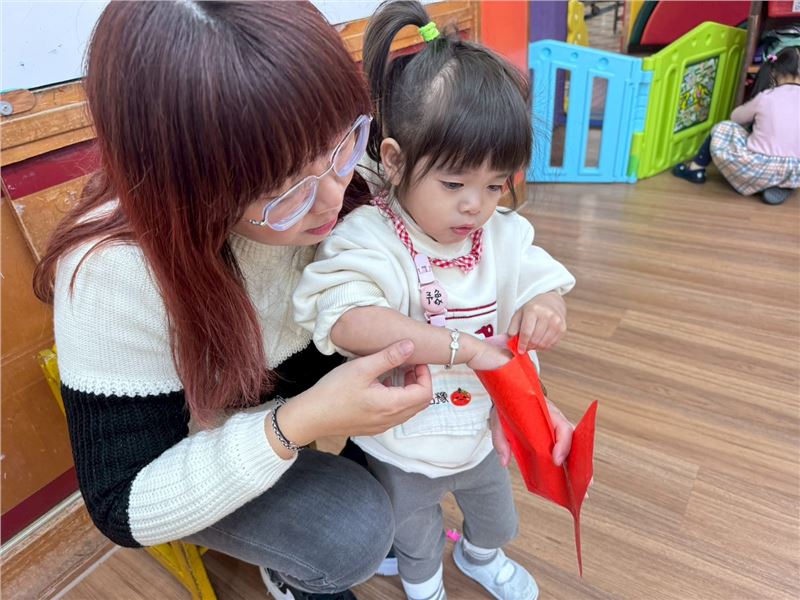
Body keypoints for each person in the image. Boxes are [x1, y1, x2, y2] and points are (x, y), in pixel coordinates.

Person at [32, 3, 437, 599]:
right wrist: (298, 424)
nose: (334, 196)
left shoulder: (341, 163)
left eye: (339, 145)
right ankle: (295, 574)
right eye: (284, 190)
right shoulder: (113, 271)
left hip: (298, 386)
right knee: (352, 532)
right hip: (210, 440)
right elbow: (122, 501)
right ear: (190, 189)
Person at [293, 2, 577, 599]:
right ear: (395, 160)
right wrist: (464, 348)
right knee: (414, 537)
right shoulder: (368, 237)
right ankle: (425, 588)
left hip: (481, 433)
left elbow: (541, 280)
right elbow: (346, 320)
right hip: (400, 445)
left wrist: (547, 307)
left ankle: (479, 556)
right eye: (454, 184)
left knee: (496, 519)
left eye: (495, 184)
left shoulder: (502, 234)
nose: (476, 205)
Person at [672, 46, 800, 205]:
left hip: (759, 168)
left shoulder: (766, 97)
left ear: (774, 73)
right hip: (794, 171)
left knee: (724, 128)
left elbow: (735, 118)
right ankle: (781, 184)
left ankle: (695, 169)